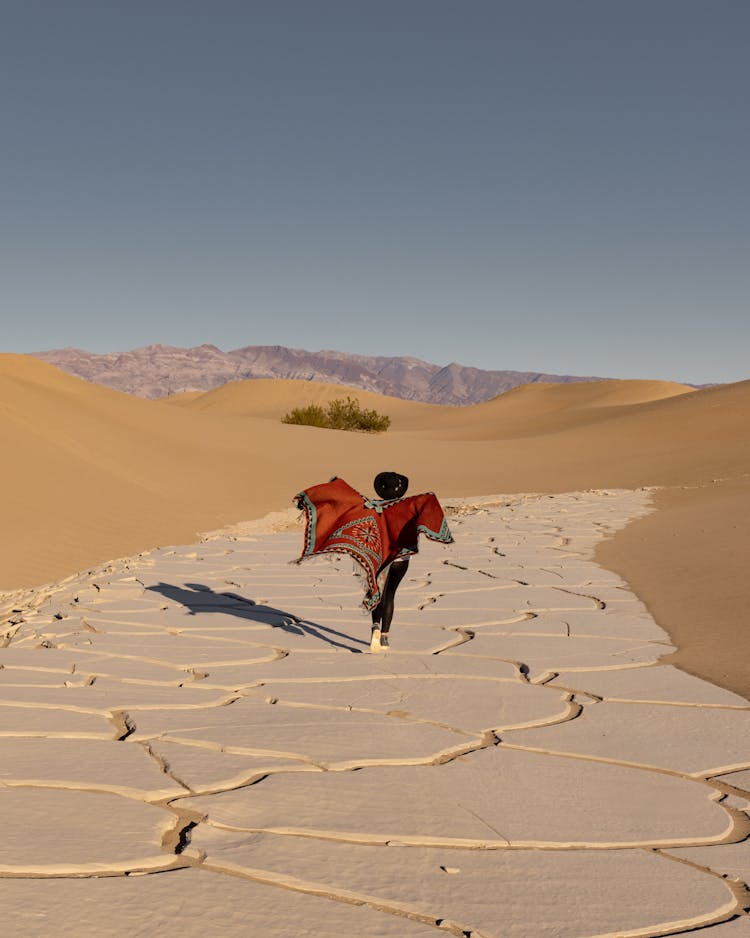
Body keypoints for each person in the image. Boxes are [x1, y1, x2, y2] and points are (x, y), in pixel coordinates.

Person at [294, 471, 453, 652]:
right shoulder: (409, 505)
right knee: (390, 594)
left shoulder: (369, 506)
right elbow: (428, 504)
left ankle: (375, 627)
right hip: (400, 558)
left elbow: (344, 499)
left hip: (376, 558)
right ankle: (384, 637)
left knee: (376, 590)